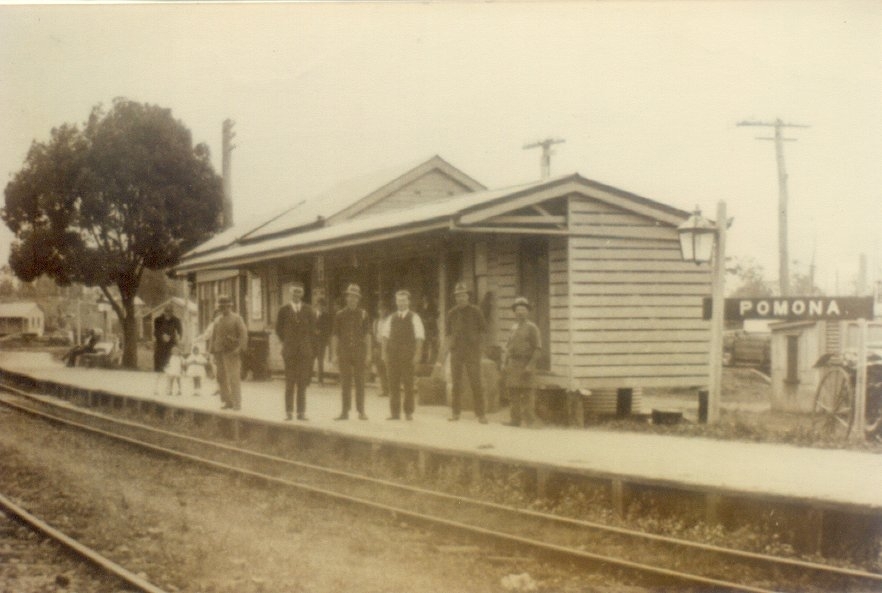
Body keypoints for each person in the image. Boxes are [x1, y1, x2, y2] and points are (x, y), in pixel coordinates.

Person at [436, 282, 488, 424]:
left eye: (463, 295)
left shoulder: (476, 311)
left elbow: (484, 331)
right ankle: (455, 413)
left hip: (472, 352)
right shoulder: (451, 313)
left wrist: (481, 350)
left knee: (475, 382)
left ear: (468, 297)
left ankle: (481, 414)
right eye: (458, 296)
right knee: (456, 383)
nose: (461, 298)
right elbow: (447, 335)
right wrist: (443, 356)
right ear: (455, 298)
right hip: (456, 352)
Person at [381, 289, 424, 421]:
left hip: (407, 356)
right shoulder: (391, 318)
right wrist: (384, 353)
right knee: (393, 384)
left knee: (408, 384)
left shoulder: (414, 317)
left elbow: (419, 337)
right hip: (392, 356)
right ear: (396, 302)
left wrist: (417, 354)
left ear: (408, 302)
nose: (401, 303)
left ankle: (408, 412)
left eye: (404, 301)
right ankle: (395, 413)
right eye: (399, 301)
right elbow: (384, 337)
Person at [331, 284, 371, 420]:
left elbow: (367, 335)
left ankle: (361, 411)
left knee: (360, 382)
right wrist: (335, 354)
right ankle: (344, 411)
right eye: (350, 296)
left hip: (359, 352)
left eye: (355, 297)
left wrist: (369, 354)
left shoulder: (364, 314)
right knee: (345, 383)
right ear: (347, 298)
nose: (352, 299)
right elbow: (335, 335)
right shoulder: (340, 315)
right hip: (344, 352)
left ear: (358, 299)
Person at [275, 281, 315, 421]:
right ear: (290, 293)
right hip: (290, 352)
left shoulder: (309, 310)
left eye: (299, 292)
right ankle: (289, 411)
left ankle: (301, 412)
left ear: (302, 294)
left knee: (302, 383)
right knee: (290, 382)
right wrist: (287, 342)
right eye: (294, 292)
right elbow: (278, 330)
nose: (297, 295)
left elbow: (312, 330)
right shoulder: (283, 310)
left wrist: (308, 347)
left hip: (304, 352)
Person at [502, 297, 542, 428]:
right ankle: (515, 420)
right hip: (513, 364)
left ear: (527, 312)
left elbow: (538, 349)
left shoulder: (532, 328)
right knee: (513, 393)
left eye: (523, 310)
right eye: (517, 310)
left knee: (527, 394)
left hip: (526, 363)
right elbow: (508, 348)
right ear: (514, 312)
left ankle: (530, 421)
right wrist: (504, 363)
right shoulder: (513, 328)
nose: (520, 313)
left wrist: (530, 365)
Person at [210, 295, 248, 411]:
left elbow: (243, 334)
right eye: (221, 307)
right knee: (221, 378)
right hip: (219, 352)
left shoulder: (237, 318)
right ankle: (227, 401)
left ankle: (237, 403)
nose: (223, 309)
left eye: (226, 306)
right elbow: (214, 336)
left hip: (232, 352)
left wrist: (240, 348)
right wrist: (211, 351)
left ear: (230, 306)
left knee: (233, 378)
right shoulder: (217, 320)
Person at [372, 304, 390, 397]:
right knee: (380, 368)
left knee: (388, 367)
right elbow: (374, 335)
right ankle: (384, 389)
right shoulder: (376, 322)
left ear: (386, 310)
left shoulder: (389, 321)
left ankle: (391, 389)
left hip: (387, 346)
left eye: (383, 310)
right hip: (378, 345)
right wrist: (374, 347)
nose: (381, 312)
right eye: (380, 310)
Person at [313, 298, 332, 384]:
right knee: (310, 359)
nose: (320, 307)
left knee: (320, 360)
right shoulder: (312, 315)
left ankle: (320, 380)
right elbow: (308, 326)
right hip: (312, 341)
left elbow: (329, 328)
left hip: (321, 341)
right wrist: (313, 331)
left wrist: (321, 332)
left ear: (323, 307)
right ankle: (307, 378)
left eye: (321, 306)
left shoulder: (326, 316)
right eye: (318, 305)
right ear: (316, 306)